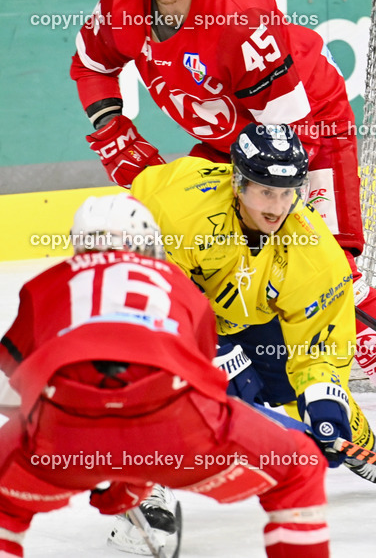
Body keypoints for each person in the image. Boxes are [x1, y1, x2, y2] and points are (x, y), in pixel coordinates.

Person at [69, 0, 376, 464]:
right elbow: (92, 63)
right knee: (218, 251)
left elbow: (285, 127)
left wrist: (274, 207)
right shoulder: (123, 6)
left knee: (326, 266)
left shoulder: (239, 9)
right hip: (230, 141)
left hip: (306, 128)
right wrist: (111, 128)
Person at [0, 194, 333, 558]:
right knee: (299, 465)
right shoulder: (177, 282)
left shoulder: (48, 283)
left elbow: (9, 394)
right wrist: (134, 468)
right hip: (179, 433)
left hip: (62, 436)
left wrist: (91, 447)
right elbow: (194, 386)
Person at [129, 122, 376, 499]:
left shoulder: (315, 250)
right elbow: (149, 289)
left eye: (287, 193)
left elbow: (319, 347)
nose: (277, 208)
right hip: (167, 303)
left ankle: (369, 453)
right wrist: (213, 352)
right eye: (265, 192)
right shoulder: (179, 206)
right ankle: (140, 484)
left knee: (298, 386)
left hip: (246, 312)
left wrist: (324, 397)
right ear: (238, 184)